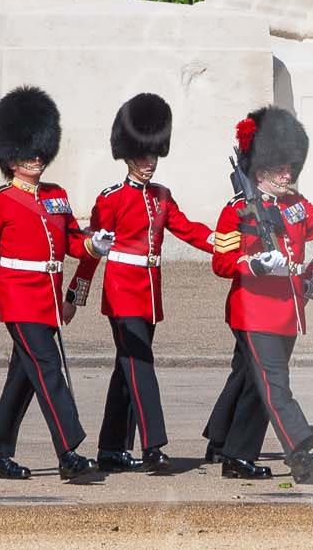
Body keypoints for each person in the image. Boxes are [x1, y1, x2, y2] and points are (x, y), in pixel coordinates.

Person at [0, 86, 110, 481]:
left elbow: (72, 241)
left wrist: (94, 243)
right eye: (27, 151)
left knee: (22, 380)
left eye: (40, 149)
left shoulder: (56, 197)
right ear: (10, 156)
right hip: (19, 298)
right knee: (48, 369)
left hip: (50, 298)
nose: (36, 158)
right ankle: (69, 451)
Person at [67, 93, 215, 475]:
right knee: (141, 364)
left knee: (126, 369)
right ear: (128, 155)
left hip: (149, 293)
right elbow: (92, 250)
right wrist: (74, 295)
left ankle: (112, 448)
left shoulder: (162, 197)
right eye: (142, 156)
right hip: (121, 292)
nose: (149, 164)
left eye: (153, 156)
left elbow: (188, 230)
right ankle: (153, 445)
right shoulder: (111, 199)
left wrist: (224, 240)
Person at [208, 107, 313, 485]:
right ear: (260, 170)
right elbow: (222, 262)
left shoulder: (294, 206)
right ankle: (300, 448)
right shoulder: (238, 210)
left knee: (256, 387)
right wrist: (253, 264)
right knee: (275, 385)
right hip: (254, 313)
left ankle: (236, 456)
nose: (288, 174)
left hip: (287, 312)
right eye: (281, 168)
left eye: (291, 167)